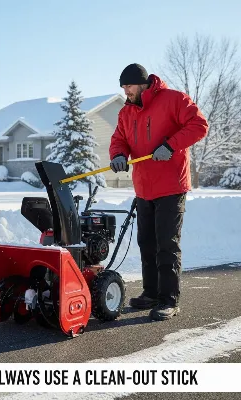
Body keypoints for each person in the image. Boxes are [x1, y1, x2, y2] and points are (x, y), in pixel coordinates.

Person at [109, 63, 208, 321]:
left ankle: (169, 300)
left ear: (142, 84)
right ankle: (151, 293)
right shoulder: (126, 112)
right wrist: (118, 155)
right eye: (123, 87)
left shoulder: (174, 100)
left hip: (171, 186)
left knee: (167, 243)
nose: (125, 91)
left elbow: (199, 125)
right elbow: (119, 139)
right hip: (144, 187)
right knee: (147, 243)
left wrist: (171, 145)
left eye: (128, 86)